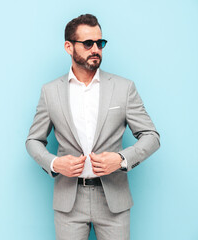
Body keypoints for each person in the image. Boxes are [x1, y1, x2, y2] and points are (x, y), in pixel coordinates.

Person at [25, 14, 160, 240]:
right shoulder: (50, 92)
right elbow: (33, 140)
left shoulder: (123, 88)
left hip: (113, 200)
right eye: (88, 43)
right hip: (69, 201)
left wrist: (121, 159)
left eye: (100, 43)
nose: (95, 48)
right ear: (69, 46)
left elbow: (151, 136)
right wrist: (55, 163)